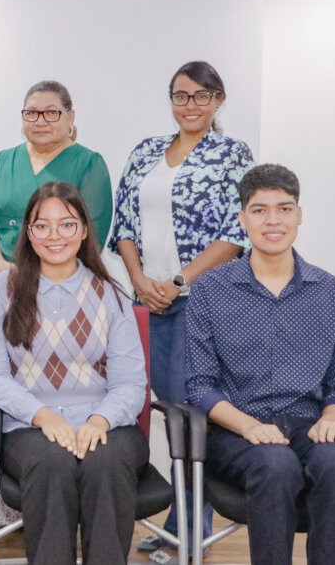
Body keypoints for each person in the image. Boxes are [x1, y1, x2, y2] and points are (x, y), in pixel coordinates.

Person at [108, 60, 254, 558]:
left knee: (198, 410)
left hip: (206, 302)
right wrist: (138, 279)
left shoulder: (232, 154)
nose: (190, 105)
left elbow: (235, 235)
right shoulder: (147, 151)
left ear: (219, 100)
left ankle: (193, 526)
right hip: (149, 299)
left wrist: (178, 280)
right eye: (180, 96)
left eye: (201, 95)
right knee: (169, 408)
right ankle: (178, 518)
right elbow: (122, 223)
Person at [185, 163, 335, 565]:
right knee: (275, 462)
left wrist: (333, 419)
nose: (273, 221)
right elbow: (199, 384)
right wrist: (249, 426)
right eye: (260, 210)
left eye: (284, 209)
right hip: (237, 431)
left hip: (307, 424)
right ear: (242, 219)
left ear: (299, 215)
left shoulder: (333, 293)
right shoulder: (211, 290)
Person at [0, 182, 148, 565]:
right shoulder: (0, 290)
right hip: (29, 426)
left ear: (85, 230)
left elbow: (131, 383)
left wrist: (100, 419)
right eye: (42, 226)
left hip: (107, 424)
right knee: (53, 463)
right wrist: (44, 415)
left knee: (104, 464)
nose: (55, 236)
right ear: (28, 232)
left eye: (67, 225)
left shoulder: (111, 294)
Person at [0, 80, 112, 277]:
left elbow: (92, 237)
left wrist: (46, 280)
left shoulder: (88, 164)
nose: (40, 121)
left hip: (63, 284)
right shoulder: (3, 161)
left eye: (51, 113)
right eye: (31, 113)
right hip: (4, 281)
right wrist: (1, 269)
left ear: (70, 117)